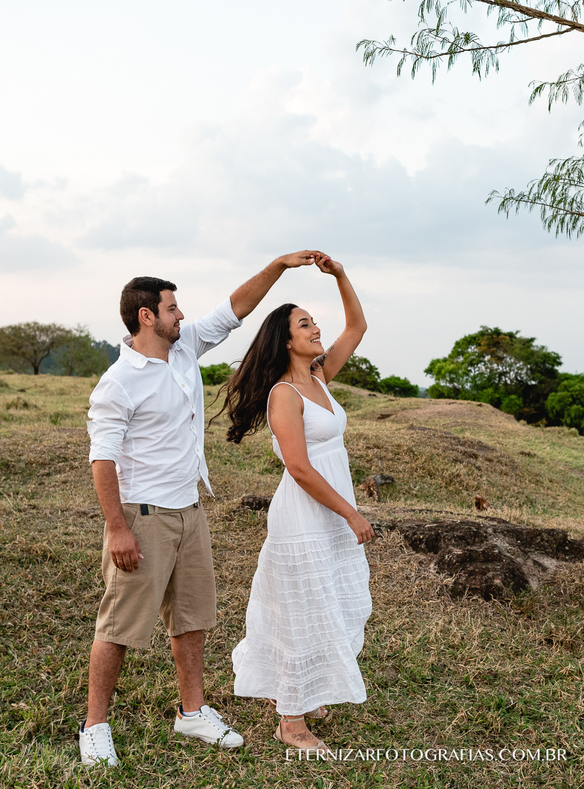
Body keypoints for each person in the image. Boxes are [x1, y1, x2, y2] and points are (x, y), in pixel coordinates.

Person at [79, 251, 318, 767]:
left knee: (191, 618)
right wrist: (117, 528)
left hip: (189, 510)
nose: (181, 315)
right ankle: (94, 726)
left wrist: (280, 266)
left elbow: (235, 308)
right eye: (171, 308)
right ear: (147, 316)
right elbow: (103, 459)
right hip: (142, 517)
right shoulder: (119, 381)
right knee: (119, 626)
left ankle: (192, 713)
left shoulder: (184, 347)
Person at [218, 252, 374, 754]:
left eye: (313, 321)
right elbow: (299, 467)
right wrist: (351, 512)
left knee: (328, 598)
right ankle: (291, 721)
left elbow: (358, 324)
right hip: (306, 513)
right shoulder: (285, 392)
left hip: (330, 509)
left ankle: (306, 690)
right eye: (305, 324)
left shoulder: (320, 377)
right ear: (286, 340)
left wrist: (341, 276)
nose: (316, 328)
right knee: (301, 607)